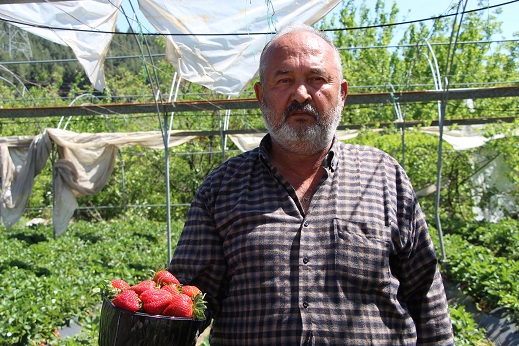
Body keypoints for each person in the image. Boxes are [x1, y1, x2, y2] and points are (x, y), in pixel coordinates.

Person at [169, 22, 454, 345]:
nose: (301, 94)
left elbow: (426, 299)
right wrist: (142, 317)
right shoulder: (222, 188)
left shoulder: (384, 176)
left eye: (317, 79)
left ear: (342, 93)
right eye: (284, 80)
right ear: (261, 96)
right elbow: (186, 300)